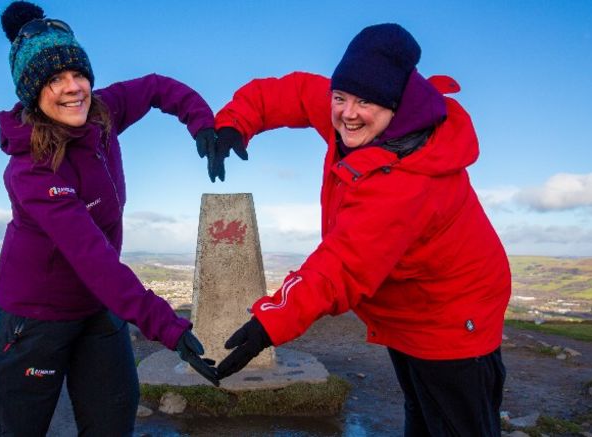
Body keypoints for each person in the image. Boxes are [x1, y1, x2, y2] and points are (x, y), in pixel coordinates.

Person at [213, 23, 511, 436]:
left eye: (364, 102)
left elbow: (342, 265)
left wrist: (271, 322)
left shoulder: (407, 181)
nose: (348, 113)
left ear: (395, 105)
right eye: (340, 98)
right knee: (421, 412)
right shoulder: (354, 113)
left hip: (452, 315)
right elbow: (289, 92)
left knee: (455, 424)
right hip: (410, 305)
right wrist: (234, 123)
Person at [0, 2, 218, 435]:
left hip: (100, 306)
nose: (73, 88)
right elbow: (91, 256)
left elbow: (158, 86)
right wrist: (164, 323)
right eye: (54, 79)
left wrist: (200, 122)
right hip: (35, 317)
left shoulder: (102, 115)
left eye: (78, 74)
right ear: (33, 91)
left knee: (113, 421)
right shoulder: (31, 169)